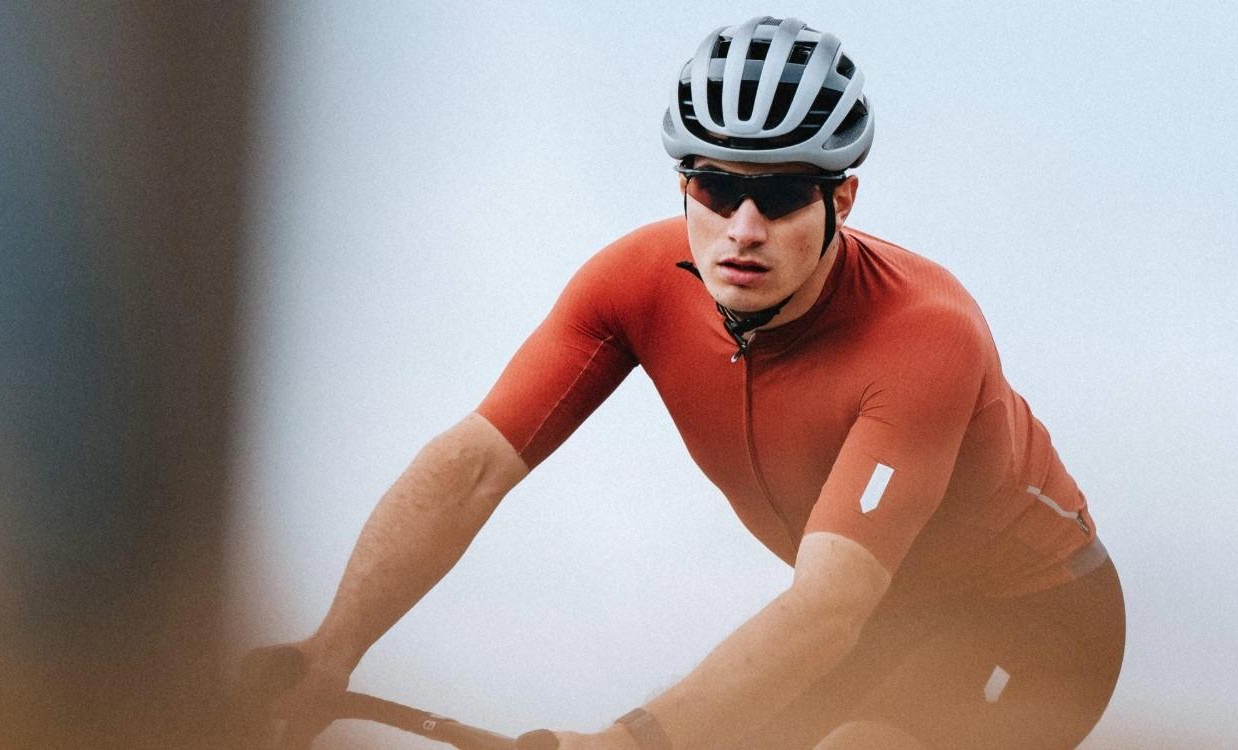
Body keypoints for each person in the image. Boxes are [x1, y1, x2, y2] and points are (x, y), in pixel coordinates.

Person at [251, 16, 1124, 750]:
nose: (742, 228)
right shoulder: (634, 281)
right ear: (684, 184)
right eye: (715, 187)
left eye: (780, 195)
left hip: (1030, 620)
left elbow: (828, 605)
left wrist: (629, 741)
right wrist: (331, 651)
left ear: (842, 199)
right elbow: (471, 469)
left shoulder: (925, 335)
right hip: (880, 621)